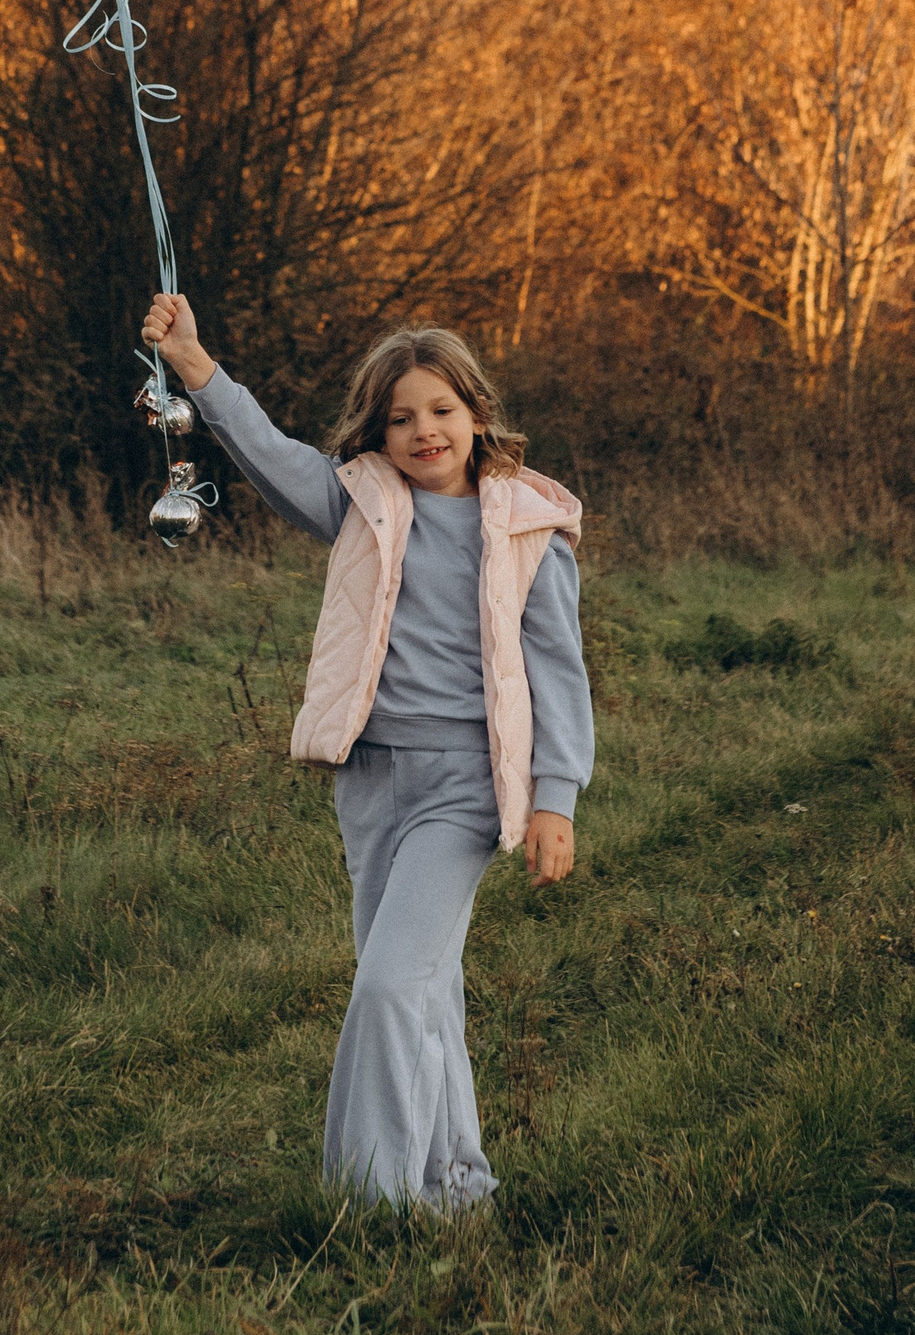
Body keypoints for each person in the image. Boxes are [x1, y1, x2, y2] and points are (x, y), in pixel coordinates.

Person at [139, 293, 592, 1214]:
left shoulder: (527, 528)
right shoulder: (361, 507)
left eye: (442, 410)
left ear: (476, 414)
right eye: (400, 418)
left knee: (389, 986)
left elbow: (558, 671)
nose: (424, 432)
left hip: (465, 788)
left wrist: (557, 798)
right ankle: (455, 1181)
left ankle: (370, 1200)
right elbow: (268, 451)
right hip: (371, 781)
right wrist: (192, 364)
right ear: (377, 433)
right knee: (422, 988)